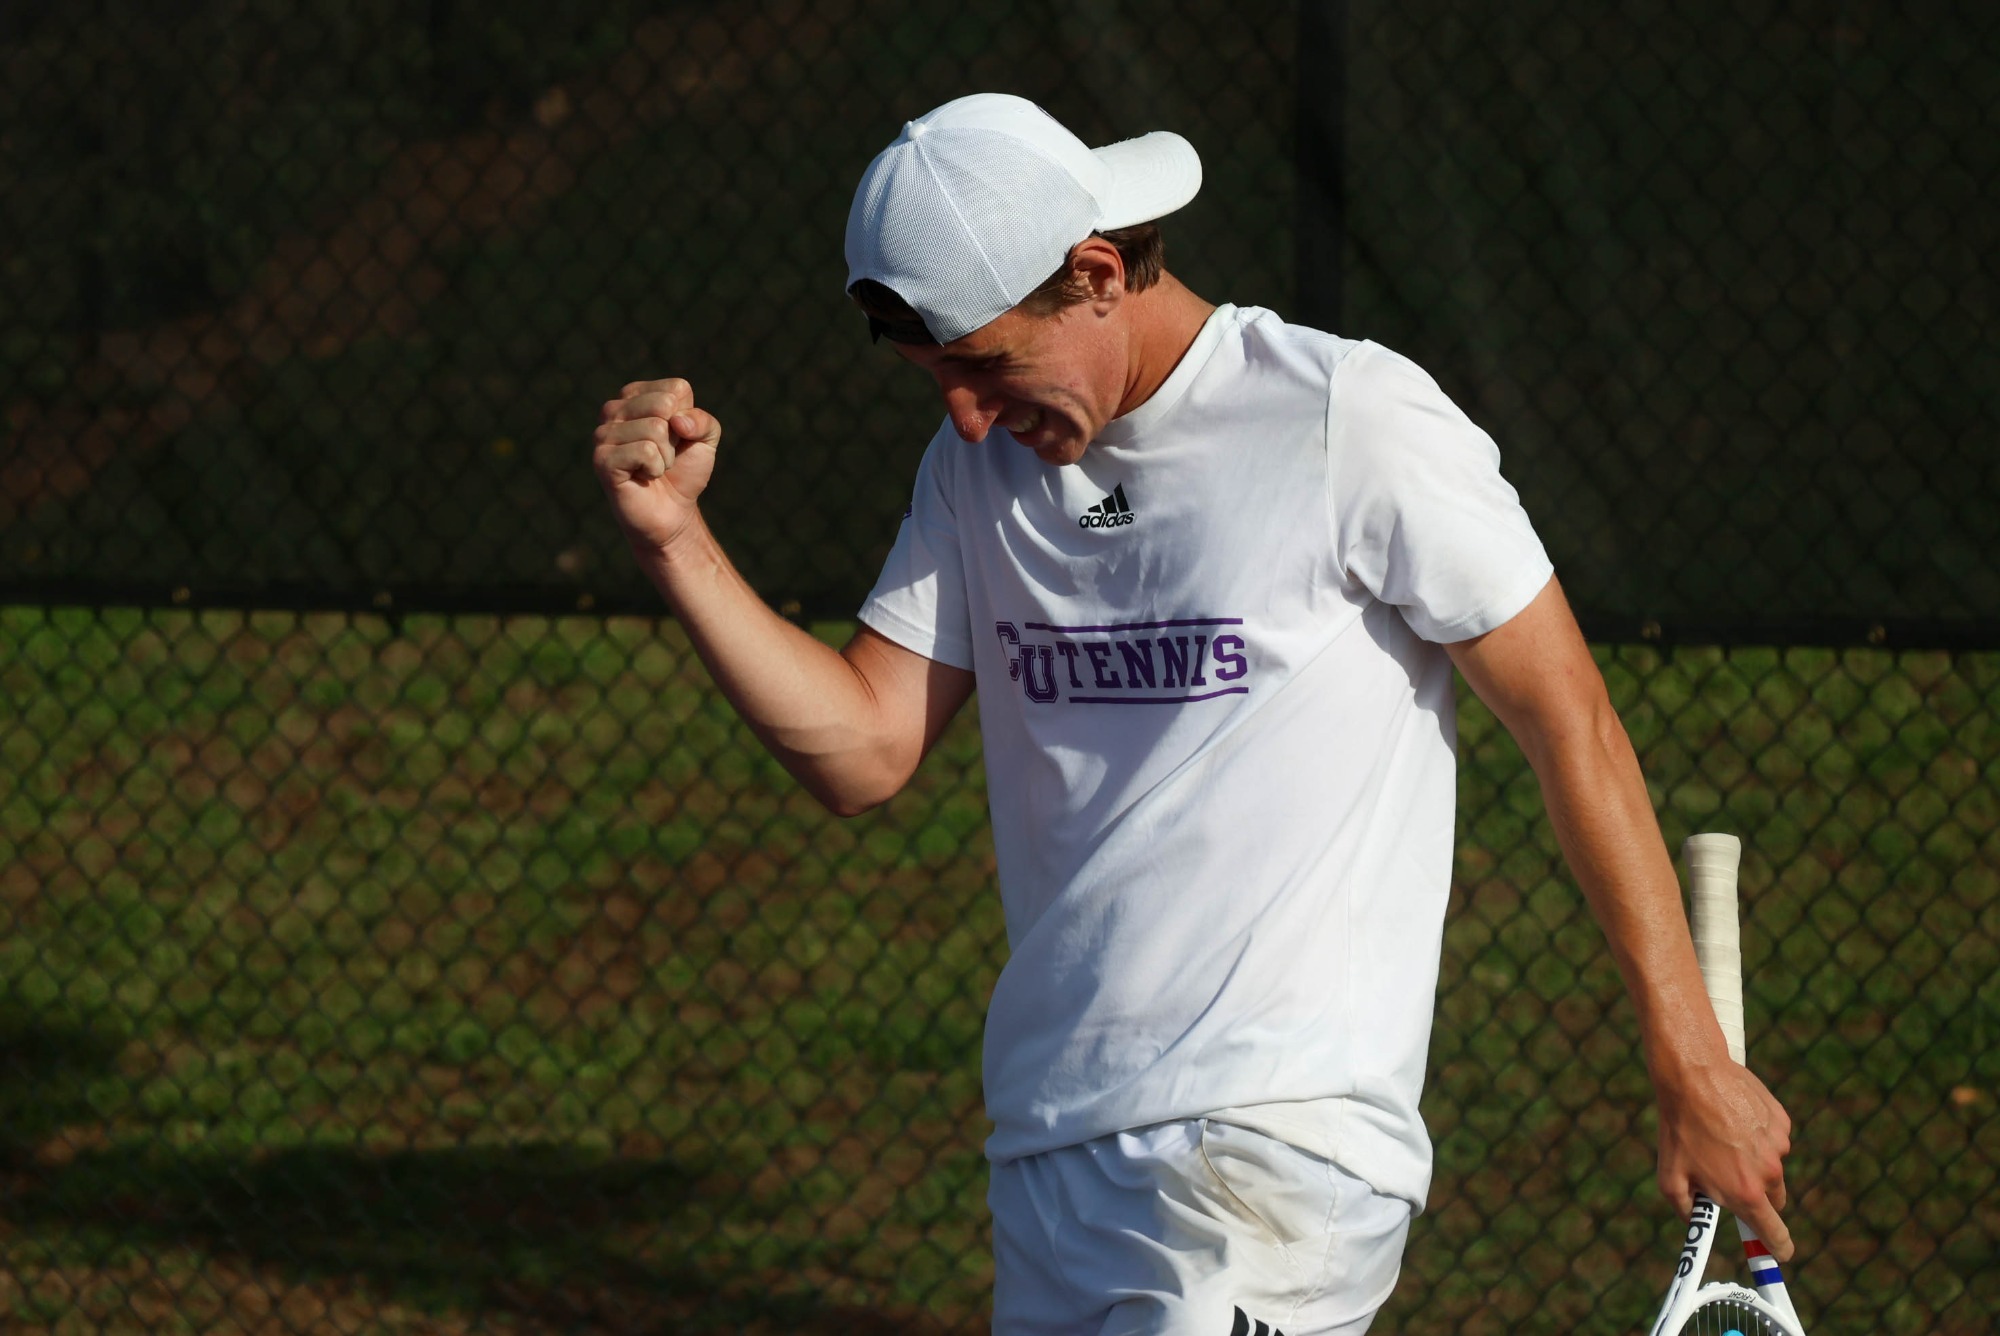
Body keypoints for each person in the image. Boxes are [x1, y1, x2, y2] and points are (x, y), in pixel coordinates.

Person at [592, 93, 1792, 1336]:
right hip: (1048, 1153)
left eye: (985, 364)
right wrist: (674, 541)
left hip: (1273, 1146)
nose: (962, 414)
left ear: (1097, 274)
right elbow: (864, 749)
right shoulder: (973, 468)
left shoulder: (1348, 417)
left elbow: (1567, 720)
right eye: (934, 377)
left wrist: (1689, 1058)